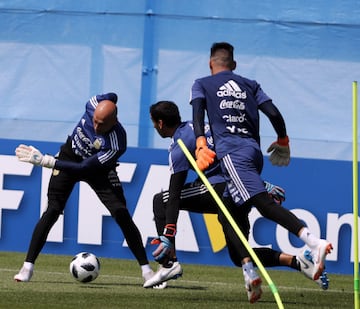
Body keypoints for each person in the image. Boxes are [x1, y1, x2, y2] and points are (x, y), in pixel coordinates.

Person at [143, 101, 329, 301]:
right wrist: (258, 183)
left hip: (220, 188)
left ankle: (169, 264)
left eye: (154, 123)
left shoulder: (178, 146)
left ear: (160, 123)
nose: (154, 127)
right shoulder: (199, 128)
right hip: (242, 185)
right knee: (237, 254)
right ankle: (299, 262)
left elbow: (174, 194)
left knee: (160, 200)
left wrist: (168, 237)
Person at [190, 42, 333, 301]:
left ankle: (313, 242)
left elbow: (197, 114)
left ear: (211, 63)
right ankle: (250, 270)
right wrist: (283, 140)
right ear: (233, 65)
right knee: (228, 220)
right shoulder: (250, 84)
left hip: (231, 153)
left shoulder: (201, 83)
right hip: (253, 154)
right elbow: (274, 113)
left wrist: (200, 143)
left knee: (264, 205)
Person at [13, 92, 161, 287]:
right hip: (68, 157)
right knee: (52, 210)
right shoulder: (92, 104)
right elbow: (112, 96)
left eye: (102, 124)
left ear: (114, 121)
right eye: (95, 121)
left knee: (121, 213)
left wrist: (48, 162)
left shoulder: (117, 141)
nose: (96, 127)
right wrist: (112, 98)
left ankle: (147, 271)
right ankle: (27, 267)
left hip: (97, 170)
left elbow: (85, 169)